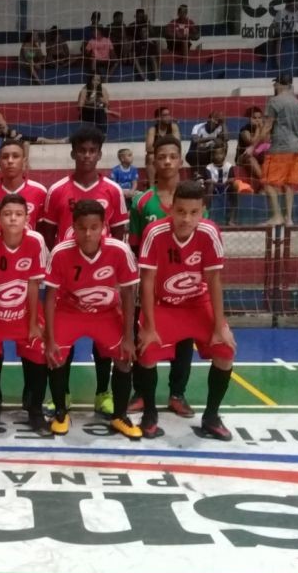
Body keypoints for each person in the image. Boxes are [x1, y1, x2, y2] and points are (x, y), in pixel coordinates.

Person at [136, 180, 236, 441]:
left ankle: (211, 416)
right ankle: (149, 413)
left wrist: (220, 324)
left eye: (194, 212)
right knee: (146, 351)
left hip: (196, 303)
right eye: (181, 211)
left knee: (225, 350)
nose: (186, 218)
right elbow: (146, 281)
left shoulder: (210, 232)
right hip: (164, 305)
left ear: (202, 211)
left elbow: (214, 280)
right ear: (171, 209)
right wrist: (148, 326)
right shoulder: (154, 232)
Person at [40, 127, 128, 417]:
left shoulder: (113, 190)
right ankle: (61, 394)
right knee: (63, 340)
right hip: (67, 277)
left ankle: (103, 392)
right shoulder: (57, 190)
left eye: (92, 150)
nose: (87, 155)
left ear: (100, 154)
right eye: (82, 150)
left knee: (103, 342)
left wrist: (113, 278)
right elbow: (49, 234)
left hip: (101, 278)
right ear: (73, 153)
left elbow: (118, 235)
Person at [44, 199, 139, 437]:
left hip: (106, 313)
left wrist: (128, 336)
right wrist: (50, 338)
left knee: (125, 357)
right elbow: (50, 297)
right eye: (82, 227)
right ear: (73, 228)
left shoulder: (119, 250)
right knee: (55, 356)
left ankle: (119, 416)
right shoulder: (60, 252)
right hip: (70, 311)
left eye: (94, 227)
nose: (88, 233)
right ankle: (60, 414)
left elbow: (128, 293)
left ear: (104, 227)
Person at [127, 135, 197, 418]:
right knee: (144, 339)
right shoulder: (143, 202)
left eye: (172, 156)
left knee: (183, 342)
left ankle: (177, 394)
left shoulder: (193, 199)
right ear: (152, 162)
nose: (167, 161)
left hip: (184, 287)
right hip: (150, 288)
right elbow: (133, 245)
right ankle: (142, 392)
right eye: (161, 156)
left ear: (180, 160)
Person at [0, 194, 48, 434]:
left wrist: (32, 323)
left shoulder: (36, 241)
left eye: (18, 214)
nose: (13, 219)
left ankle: (34, 409)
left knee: (38, 349)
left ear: (27, 218)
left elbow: (33, 285)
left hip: (25, 314)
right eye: (7, 214)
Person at [257, 74, 298, 227]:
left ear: (279, 84)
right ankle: (289, 218)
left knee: (267, 182)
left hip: (280, 148)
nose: (274, 87)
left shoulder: (275, 101)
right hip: (296, 147)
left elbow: (268, 126)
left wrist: (252, 146)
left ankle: (276, 216)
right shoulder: (297, 103)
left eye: (275, 84)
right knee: (289, 184)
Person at [0, 139, 48, 232]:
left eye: (15, 156)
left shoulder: (39, 192)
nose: (10, 161)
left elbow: (41, 231)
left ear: (24, 162)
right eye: (5, 157)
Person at [204, 146, 241, 226]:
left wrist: (228, 182)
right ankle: (207, 216)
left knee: (235, 185)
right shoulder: (209, 167)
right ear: (212, 155)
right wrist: (217, 183)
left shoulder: (229, 166)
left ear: (224, 155)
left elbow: (231, 179)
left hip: (226, 187)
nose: (218, 156)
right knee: (210, 187)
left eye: (220, 153)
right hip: (214, 188)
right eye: (215, 154)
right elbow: (208, 180)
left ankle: (232, 219)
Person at [144, 106, 180, 185]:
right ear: (158, 118)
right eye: (165, 115)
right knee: (150, 157)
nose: (168, 117)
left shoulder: (173, 127)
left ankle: (176, 186)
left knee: (176, 157)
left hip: (169, 153)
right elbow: (148, 148)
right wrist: (163, 150)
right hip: (158, 155)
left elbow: (177, 144)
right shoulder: (153, 129)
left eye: (169, 114)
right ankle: (151, 186)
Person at [268, 0, 298, 70]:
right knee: (279, 40)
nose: (297, 6)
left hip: (292, 33)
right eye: (295, 4)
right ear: (290, 4)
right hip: (282, 33)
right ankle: (278, 64)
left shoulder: (297, 12)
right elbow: (273, 26)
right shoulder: (281, 12)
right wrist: (272, 36)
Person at [235, 106, 267, 182]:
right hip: (243, 157)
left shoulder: (265, 129)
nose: (257, 120)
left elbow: (267, 142)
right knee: (251, 159)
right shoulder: (244, 130)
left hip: (258, 155)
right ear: (249, 119)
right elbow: (251, 142)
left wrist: (263, 130)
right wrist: (258, 129)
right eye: (254, 118)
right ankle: (264, 180)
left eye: (259, 118)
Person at [129, 9, 161, 81]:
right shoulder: (132, 25)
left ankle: (157, 77)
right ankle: (144, 78)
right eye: (139, 16)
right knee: (135, 59)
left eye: (142, 16)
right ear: (136, 16)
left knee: (153, 55)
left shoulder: (146, 25)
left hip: (147, 50)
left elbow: (153, 33)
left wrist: (147, 21)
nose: (140, 18)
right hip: (138, 48)